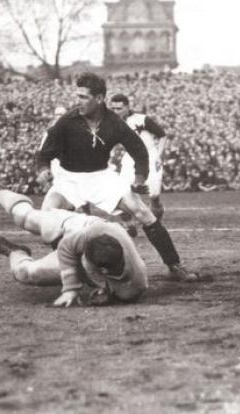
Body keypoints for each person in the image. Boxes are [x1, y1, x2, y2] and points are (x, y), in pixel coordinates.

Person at [35, 72, 198, 282]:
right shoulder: (67, 121)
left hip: (101, 177)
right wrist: (42, 169)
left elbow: (139, 150)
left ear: (100, 98)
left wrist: (140, 178)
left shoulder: (114, 123)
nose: (79, 101)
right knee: (46, 216)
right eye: (78, 96)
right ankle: (72, 271)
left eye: (84, 97)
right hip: (69, 178)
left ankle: (174, 265)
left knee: (141, 210)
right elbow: (44, 152)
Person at [0, 183, 147, 307]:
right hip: (77, 226)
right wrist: (70, 289)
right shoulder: (95, 233)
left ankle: (16, 252)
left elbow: (118, 293)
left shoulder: (134, 285)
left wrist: (105, 295)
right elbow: (67, 248)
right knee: (26, 218)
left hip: (89, 263)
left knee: (24, 273)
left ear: (103, 272)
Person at [109, 93, 168, 237]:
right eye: (114, 108)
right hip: (129, 159)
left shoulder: (141, 119)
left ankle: (155, 225)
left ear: (127, 107)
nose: (116, 112)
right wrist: (110, 157)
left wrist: (158, 155)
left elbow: (162, 135)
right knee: (118, 194)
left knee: (154, 196)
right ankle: (130, 226)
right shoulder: (112, 123)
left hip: (150, 156)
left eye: (119, 108)